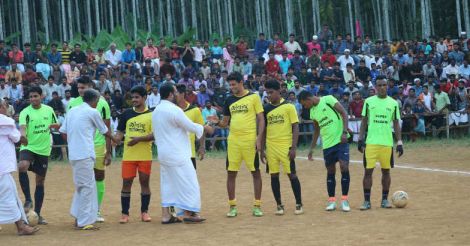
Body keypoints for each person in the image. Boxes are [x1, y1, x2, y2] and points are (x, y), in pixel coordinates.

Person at [131, 82, 214, 224]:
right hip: (177, 153)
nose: (177, 95)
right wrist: (207, 127)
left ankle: (166, 216)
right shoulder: (174, 110)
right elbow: (190, 126)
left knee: (168, 184)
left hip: (163, 154)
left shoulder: (156, 111)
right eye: (175, 92)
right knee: (189, 182)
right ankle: (190, 213)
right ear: (170, 94)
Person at [208, 72, 265, 217]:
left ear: (241, 82)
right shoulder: (229, 100)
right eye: (230, 85)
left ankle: (257, 206)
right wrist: (217, 122)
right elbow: (225, 123)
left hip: (249, 141)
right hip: (233, 142)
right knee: (231, 173)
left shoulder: (253, 97)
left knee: (255, 172)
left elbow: (261, 119)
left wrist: (259, 138)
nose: (232, 87)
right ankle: (232, 207)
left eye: (234, 84)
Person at [59, 89, 116, 230]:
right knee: (87, 187)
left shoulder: (72, 111)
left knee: (81, 186)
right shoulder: (93, 112)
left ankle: (78, 216)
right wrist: (115, 139)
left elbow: (62, 131)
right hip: (85, 154)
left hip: (74, 154)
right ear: (95, 100)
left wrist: (74, 143)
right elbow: (104, 130)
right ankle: (84, 221)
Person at [298, 90, 351, 212]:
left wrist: (344, 132)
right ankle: (332, 201)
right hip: (327, 145)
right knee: (330, 171)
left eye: (303, 104)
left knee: (344, 167)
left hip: (340, 141)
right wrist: (311, 149)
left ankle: (344, 200)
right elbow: (316, 130)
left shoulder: (328, 99)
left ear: (308, 99)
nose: (304, 106)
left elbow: (344, 113)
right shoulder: (312, 112)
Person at [67, 76, 112, 222]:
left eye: (83, 87)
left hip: (97, 146)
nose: (80, 90)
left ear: (90, 87)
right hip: (83, 149)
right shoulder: (72, 104)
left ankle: (96, 210)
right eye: (79, 87)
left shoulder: (102, 104)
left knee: (97, 177)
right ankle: (84, 216)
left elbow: (106, 127)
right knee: (85, 182)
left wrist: (109, 151)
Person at [357, 76, 404, 210]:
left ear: (387, 86)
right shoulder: (368, 102)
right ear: (376, 87)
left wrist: (399, 142)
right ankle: (367, 201)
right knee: (368, 172)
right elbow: (364, 121)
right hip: (371, 143)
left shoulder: (393, 103)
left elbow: (396, 124)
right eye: (379, 85)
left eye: (384, 85)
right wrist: (360, 139)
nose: (382, 87)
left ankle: (384, 200)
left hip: (387, 143)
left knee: (386, 172)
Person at [260, 80, 303, 216]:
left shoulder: (289, 107)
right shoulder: (266, 109)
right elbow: (263, 130)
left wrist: (293, 148)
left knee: (292, 174)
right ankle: (279, 205)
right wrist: (261, 149)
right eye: (267, 93)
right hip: (271, 147)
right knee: (273, 175)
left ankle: (299, 203)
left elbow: (295, 126)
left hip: (285, 146)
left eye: (271, 92)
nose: (269, 95)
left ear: (279, 91)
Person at [18, 86, 59, 225]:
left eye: (35, 96)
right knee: (22, 166)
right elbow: (22, 127)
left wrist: (54, 126)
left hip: (43, 150)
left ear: (41, 96)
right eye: (31, 97)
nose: (33, 99)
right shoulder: (25, 112)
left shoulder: (49, 110)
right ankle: (28, 199)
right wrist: (22, 136)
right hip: (28, 146)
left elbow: (56, 124)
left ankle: (37, 214)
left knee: (40, 181)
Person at [113, 86, 153, 224]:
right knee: (126, 183)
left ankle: (144, 212)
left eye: (137, 97)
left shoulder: (152, 115)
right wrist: (115, 140)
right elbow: (119, 133)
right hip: (128, 156)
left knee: (144, 183)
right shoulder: (126, 114)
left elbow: (154, 135)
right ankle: (125, 214)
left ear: (144, 97)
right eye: (132, 97)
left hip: (145, 156)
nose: (134, 100)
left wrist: (138, 140)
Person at [0, 98, 39, 235]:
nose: (7, 108)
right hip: (2, 168)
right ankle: (21, 227)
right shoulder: (5, 121)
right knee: (11, 197)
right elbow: (19, 139)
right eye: (5, 106)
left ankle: (21, 226)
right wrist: (25, 137)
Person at [176, 84, 205, 169]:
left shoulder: (194, 110)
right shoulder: (171, 110)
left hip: (189, 153)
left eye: (175, 93)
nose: (173, 96)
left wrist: (202, 147)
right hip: (174, 154)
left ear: (182, 94)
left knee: (190, 181)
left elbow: (201, 129)